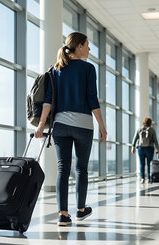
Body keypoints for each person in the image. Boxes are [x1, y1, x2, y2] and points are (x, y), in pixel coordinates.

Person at [34, 32, 107, 226]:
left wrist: (41, 125)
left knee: (62, 170)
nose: (89, 49)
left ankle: (63, 215)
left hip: (60, 127)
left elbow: (47, 102)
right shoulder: (88, 69)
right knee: (81, 169)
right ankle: (81, 210)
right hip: (83, 125)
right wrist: (102, 125)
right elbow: (92, 99)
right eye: (87, 45)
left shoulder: (56, 70)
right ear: (79, 46)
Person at [131, 117, 159, 183]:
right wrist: (158, 149)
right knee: (149, 164)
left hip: (141, 148)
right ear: (150, 123)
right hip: (149, 148)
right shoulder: (151, 130)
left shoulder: (140, 129)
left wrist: (133, 146)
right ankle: (149, 178)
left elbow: (135, 138)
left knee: (142, 164)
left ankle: (142, 178)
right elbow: (155, 140)